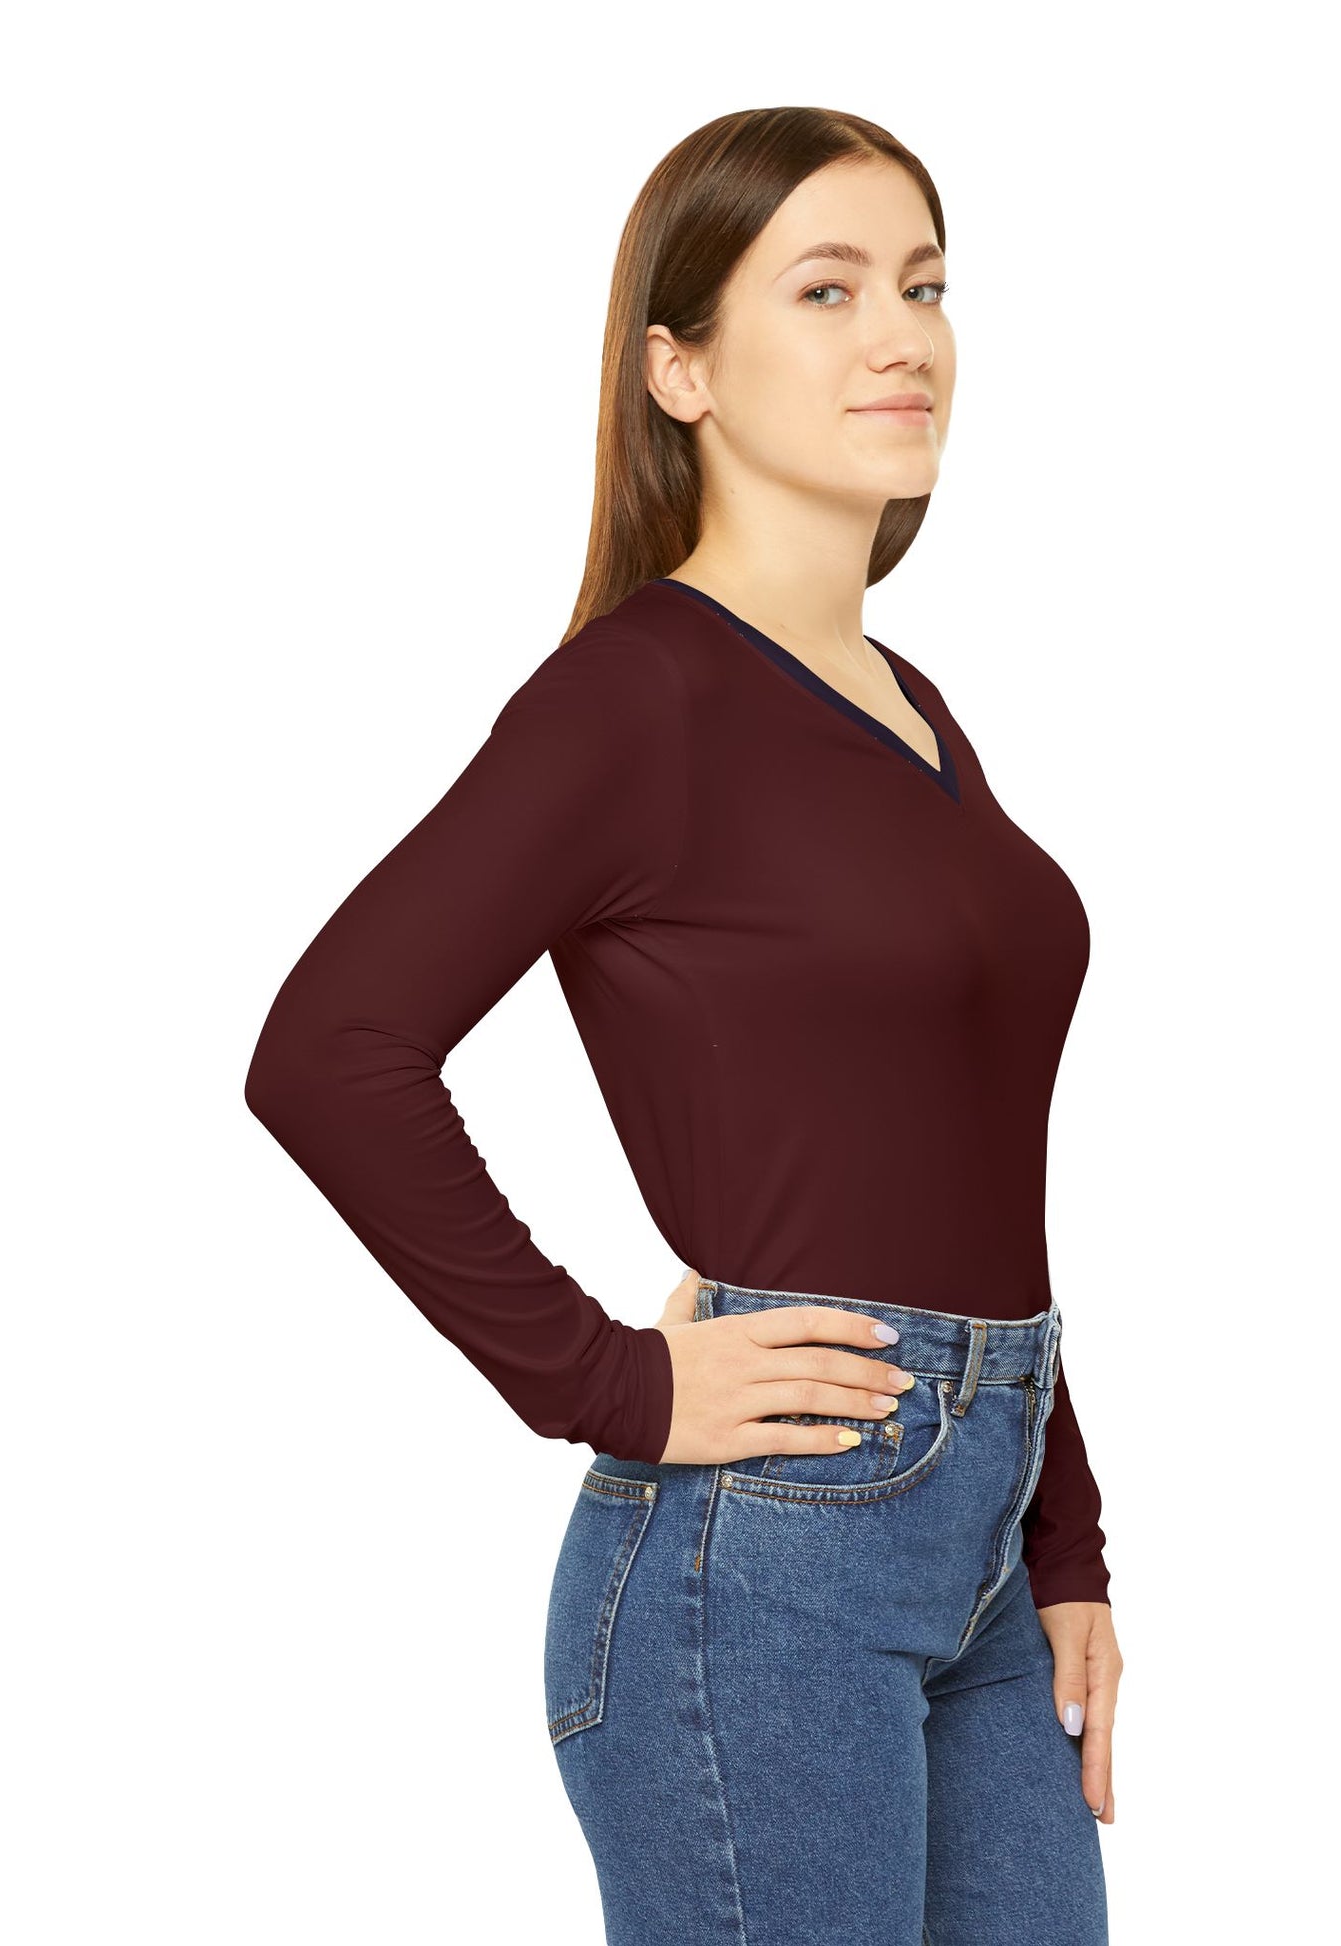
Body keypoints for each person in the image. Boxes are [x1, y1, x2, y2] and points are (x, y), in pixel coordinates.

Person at [244, 105, 1122, 1945]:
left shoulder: (912, 707)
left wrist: (1065, 1539)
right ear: (681, 369)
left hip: (986, 1542)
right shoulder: (637, 695)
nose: (901, 336)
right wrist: (610, 1381)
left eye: (924, 286)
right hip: (770, 1560)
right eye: (826, 290)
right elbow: (328, 1049)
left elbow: (965, 1148)